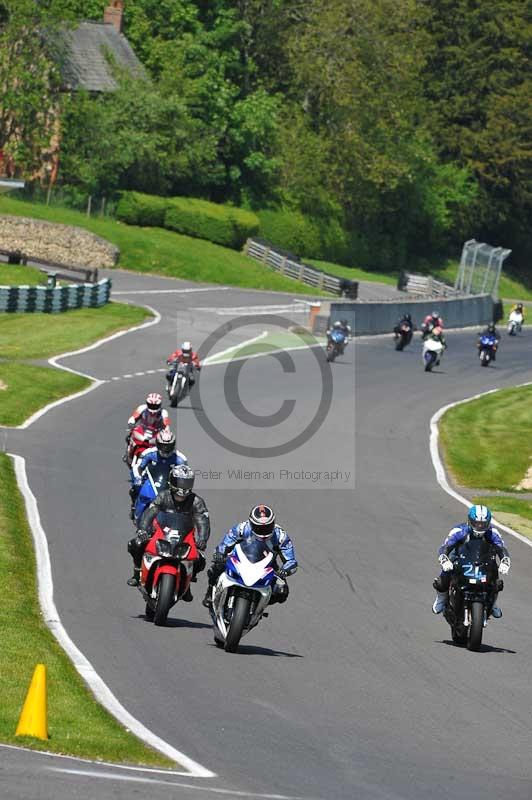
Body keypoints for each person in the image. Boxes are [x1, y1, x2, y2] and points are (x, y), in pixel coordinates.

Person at [127, 465, 210, 597]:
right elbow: (150, 512)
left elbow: (202, 521)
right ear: (172, 481)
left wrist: (202, 539)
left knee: (200, 560)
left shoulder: (197, 501)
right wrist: (143, 529)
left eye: (187, 483)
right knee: (135, 544)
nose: (183, 487)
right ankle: (137, 574)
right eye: (180, 482)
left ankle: (187, 584)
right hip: (160, 531)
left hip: (185, 536)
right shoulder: (163, 496)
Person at [202, 504, 298, 609]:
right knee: (217, 567)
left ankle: (258, 606)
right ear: (251, 523)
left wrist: (285, 570)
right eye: (259, 527)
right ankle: (210, 592)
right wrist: (220, 554)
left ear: (273, 524)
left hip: (267, 564)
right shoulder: (242, 528)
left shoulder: (281, 536)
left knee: (282, 591)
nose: (263, 531)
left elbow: (291, 560)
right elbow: (225, 544)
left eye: (267, 527)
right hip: (239, 557)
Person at [432, 504, 511, 617]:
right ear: (470, 521)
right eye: (477, 523)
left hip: (483, 561)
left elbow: (501, 548)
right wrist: (445, 559)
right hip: (460, 560)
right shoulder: (459, 531)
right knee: (444, 576)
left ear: (488, 523)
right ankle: (441, 598)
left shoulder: (493, 533)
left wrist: (505, 561)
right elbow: (445, 546)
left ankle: (493, 604)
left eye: (483, 524)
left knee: (496, 580)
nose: (479, 526)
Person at [128, 429, 188, 518]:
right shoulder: (149, 453)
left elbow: (185, 476)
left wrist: (183, 486)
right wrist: (138, 477)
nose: (165, 449)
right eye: (163, 446)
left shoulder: (180, 459)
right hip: (149, 482)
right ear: (158, 444)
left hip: (169, 486)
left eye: (168, 446)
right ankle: (134, 507)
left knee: (184, 500)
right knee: (134, 489)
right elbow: (138, 467)